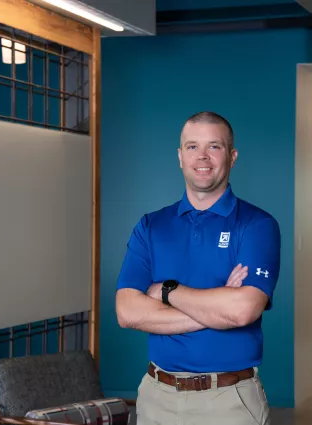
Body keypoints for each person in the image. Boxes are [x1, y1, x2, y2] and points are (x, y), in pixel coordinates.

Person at [115, 111, 281, 425]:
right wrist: (215, 308)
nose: (202, 156)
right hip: (156, 397)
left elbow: (242, 311)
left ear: (232, 157)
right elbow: (127, 312)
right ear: (180, 156)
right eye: (192, 147)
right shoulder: (151, 226)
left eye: (214, 147)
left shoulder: (257, 225)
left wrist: (166, 291)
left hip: (228, 402)